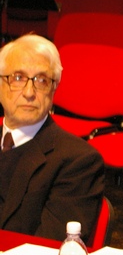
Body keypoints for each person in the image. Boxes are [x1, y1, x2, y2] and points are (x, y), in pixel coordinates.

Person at [0, 34, 104, 241]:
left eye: (41, 81)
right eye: (18, 78)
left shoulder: (78, 161)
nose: (29, 92)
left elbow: (50, 249)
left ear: (54, 88)